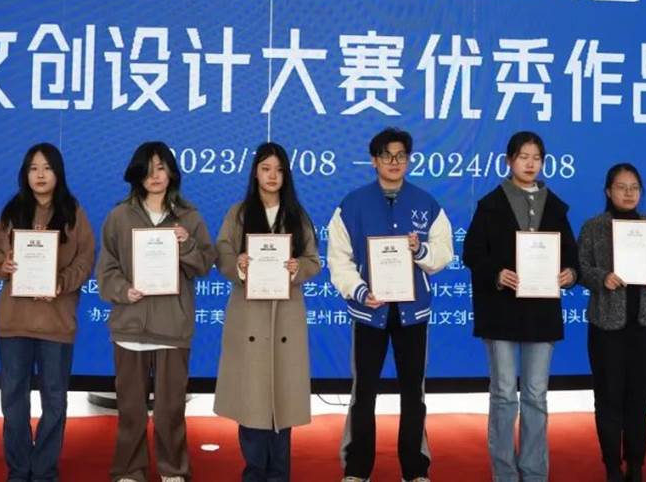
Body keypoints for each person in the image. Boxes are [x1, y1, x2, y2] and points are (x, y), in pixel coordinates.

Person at [327, 127, 454, 482]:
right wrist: (359, 291)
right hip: (370, 312)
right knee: (364, 392)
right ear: (374, 160)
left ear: (408, 160)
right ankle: (357, 469)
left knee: (413, 393)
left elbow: (444, 252)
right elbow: (338, 259)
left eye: (400, 155)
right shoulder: (352, 204)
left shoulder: (426, 203)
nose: (394, 162)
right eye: (386, 155)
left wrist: (420, 250)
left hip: (413, 314)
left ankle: (415, 469)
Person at [96, 141, 217, 482]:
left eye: (161, 168)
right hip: (129, 326)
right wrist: (124, 290)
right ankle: (129, 470)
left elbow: (205, 264)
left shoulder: (189, 217)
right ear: (137, 174)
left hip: (172, 327)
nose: (155, 176)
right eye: (148, 169)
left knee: (170, 409)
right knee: (131, 409)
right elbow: (106, 270)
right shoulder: (119, 216)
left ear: (172, 173)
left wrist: (186, 244)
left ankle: (173, 470)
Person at [462, 131, 578, 482]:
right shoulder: (490, 204)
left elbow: (571, 258)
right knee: (502, 394)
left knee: (535, 395)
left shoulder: (555, 206)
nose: (530, 164)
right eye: (523, 157)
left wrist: (570, 274)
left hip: (541, 313)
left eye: (536, 158)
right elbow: (472, 254)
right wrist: (497, 274)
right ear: (509, 161)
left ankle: (534, 471)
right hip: (500, 311)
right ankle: (504, 473)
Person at [0, 143, 96, 482]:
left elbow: (86, 260)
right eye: (33, 168)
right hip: (14, 323)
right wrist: (2, 265)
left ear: (58, 173)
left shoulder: (73, 213)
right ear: (25, 174)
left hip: (56, 323)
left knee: (55, 401)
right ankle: (19, 470)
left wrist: (61, 282)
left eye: (47, 168)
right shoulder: (12, 211)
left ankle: (44, 470)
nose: (40, 175)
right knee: (13, 400)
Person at [214, 142, 321, 482]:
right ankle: (254, 473)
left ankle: (279, 475)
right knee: (252, 404)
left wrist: (298, 267)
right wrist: (239, 265)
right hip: (250, 318)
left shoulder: (297, 215)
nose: (272, 176)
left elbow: (313, 261)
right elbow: (222, 254)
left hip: (286, 318)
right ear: (255, 173)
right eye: (265, 168)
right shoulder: (239, 213)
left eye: (278, 169)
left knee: (282, 405)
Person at [577, 163, 646, 482]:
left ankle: (636, 464)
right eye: (621, 187)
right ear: (608, 191)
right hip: (606, 326)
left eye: (634, 187)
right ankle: (611, 466)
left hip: (645, 324)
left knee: (639, 398)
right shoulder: (594, 227)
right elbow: (580, 269)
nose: (629, 192)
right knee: (608, 397)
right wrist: (601, 277)